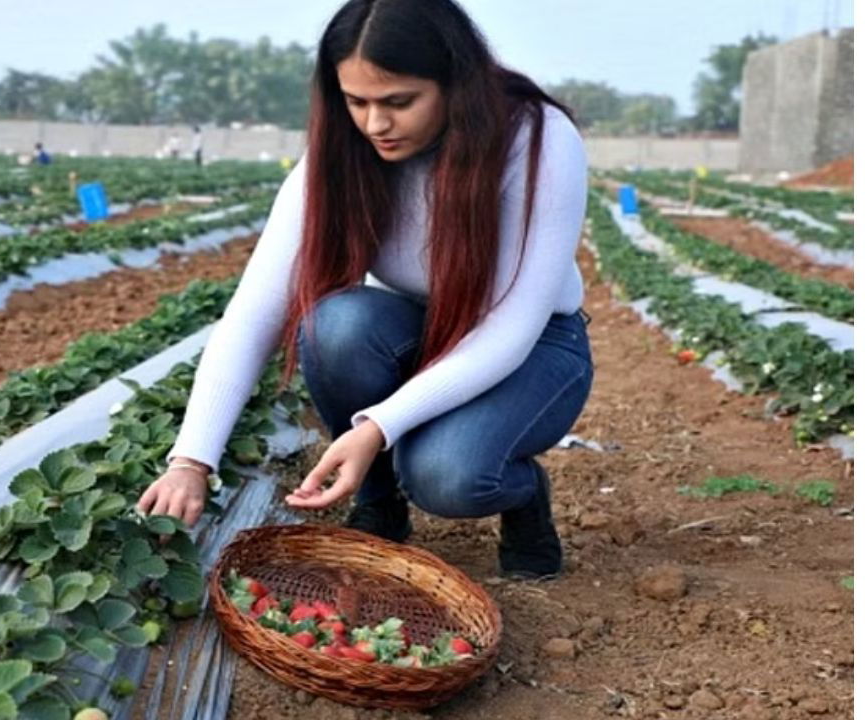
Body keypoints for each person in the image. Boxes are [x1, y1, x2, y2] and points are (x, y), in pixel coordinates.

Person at [137, 0, 592, 581]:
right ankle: (379, 499)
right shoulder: (339, 157)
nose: (376, 124)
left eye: (399, 102)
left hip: (531, 346)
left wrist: (376, 426)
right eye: (357, 102)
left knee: (447, 477)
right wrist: (190, 462)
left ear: (455, 83)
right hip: (414, 325)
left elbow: (508, 329)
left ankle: (521, 494)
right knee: (336, 324)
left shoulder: (536, 140)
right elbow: (253, 314)